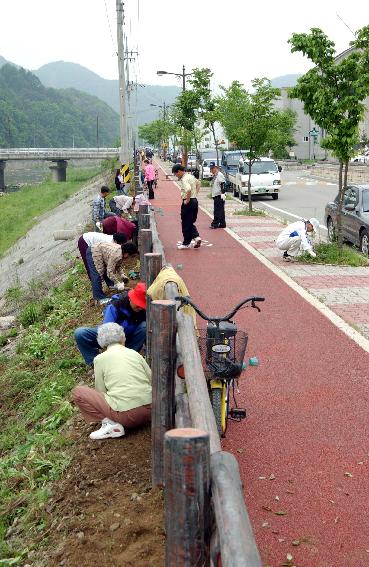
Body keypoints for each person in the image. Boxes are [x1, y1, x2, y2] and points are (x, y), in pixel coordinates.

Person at [72, 322, 151, 440]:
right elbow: (151, 379)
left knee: (78, 392)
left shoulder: (99, 359)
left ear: (101, 342)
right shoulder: (134, 353)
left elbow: (101, 391)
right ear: (122, 337)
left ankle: (111, 424)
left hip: (128, 417)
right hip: (152, 410)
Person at [74, 282, 147, 366]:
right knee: (80, 333)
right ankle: (96, 364)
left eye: (142, 305)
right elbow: (107, 332)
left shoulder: (145, 311)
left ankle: (128, 359)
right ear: (130, 298)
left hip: (130, 338)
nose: (140, 308)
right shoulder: (116, 306)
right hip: (113, 337)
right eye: (138, 304)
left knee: (144, 327)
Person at [172, 164, 201, 250]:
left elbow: (188, 189)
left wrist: (187, 200)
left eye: (175, 174)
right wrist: (195, 194)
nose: (176, 175)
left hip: (188, 202)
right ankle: (196, 237)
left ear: (179, 171)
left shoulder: (184, 179)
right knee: (189, 221)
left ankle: (186, 243)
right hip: (194, 200)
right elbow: (199, 183)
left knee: (185, 223)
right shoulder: (190, 176)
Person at [209, 162, 226, 229]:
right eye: (210, 169)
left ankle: (215, 224)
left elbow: (223, 184)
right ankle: (222, 223)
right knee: (221, 210)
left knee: (217, 210)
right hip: (216, 195)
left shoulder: (219, 175)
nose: (211, 170)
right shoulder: (215, 175)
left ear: (216, 168)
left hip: (219, 195)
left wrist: (223, 193)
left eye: (212, 168)